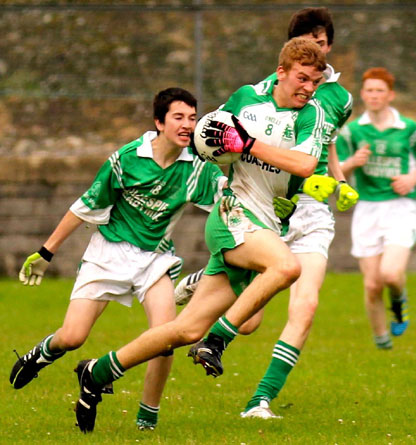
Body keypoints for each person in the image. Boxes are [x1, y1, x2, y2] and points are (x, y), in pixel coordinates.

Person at [70, 36, 329, 433]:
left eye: (315, 81)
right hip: (233, 214)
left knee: (185, 329)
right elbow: (209, 136)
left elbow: (306, 164)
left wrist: (249, 145)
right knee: (287, 266)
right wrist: (223, 147)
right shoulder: (245, 100)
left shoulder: (313, 114)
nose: (309, 87)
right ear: (281, 72)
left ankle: (99, 370)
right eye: (302, 78)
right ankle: (218, 341)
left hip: (267, 222)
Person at [9, 87, 227, 431]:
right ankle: (42, 354)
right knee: (73, 337)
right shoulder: (126, 159)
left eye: (193, 117)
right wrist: (46, 252)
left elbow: (229, 198)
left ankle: (146, 420)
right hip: (108, 253)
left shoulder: (197, 167)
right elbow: (84, 206)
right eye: (179, 117)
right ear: (159, 122)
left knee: (166, 339)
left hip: (155, 260)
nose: (188, 125)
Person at [178, 7, 359, 419]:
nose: (319, 50)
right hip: (265, 203)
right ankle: (204, 280)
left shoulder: (339, 98)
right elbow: (223, 137)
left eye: (324, 42)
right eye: (310, 42)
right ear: (291, 55)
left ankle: (260, 400)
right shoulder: (264, 91)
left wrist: (340, 178)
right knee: (249, 323)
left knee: (306, 305)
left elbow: (324, 140)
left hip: (311, 209)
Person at [336, 67, 416, 349]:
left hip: (400, 208)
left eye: (380, 90)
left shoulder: (407, 128)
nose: (374, 95)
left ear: (390, 95)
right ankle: (382, 341)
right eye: (369, 90)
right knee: (372, 285)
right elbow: (334, 166)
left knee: (391, 274)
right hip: (367, 209)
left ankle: (399, 299)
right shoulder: (353, 131)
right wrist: (352, 163)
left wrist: (412, 178)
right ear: (362, 94)